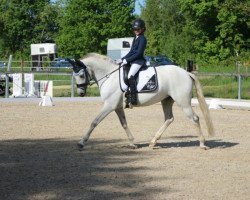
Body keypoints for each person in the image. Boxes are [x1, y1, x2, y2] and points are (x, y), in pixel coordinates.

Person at [116, 18, 147, 107]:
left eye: (138, 29)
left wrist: (127, 60)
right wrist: (122, 59)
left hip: (138, 61)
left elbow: (138, 53)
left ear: (142, 29)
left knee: (130, 76)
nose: (136, 31)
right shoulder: (135, 38)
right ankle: (127, 94)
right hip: (133, 60)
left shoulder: (142, 39)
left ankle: (133, 98)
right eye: (134, 29)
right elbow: (131, 52)